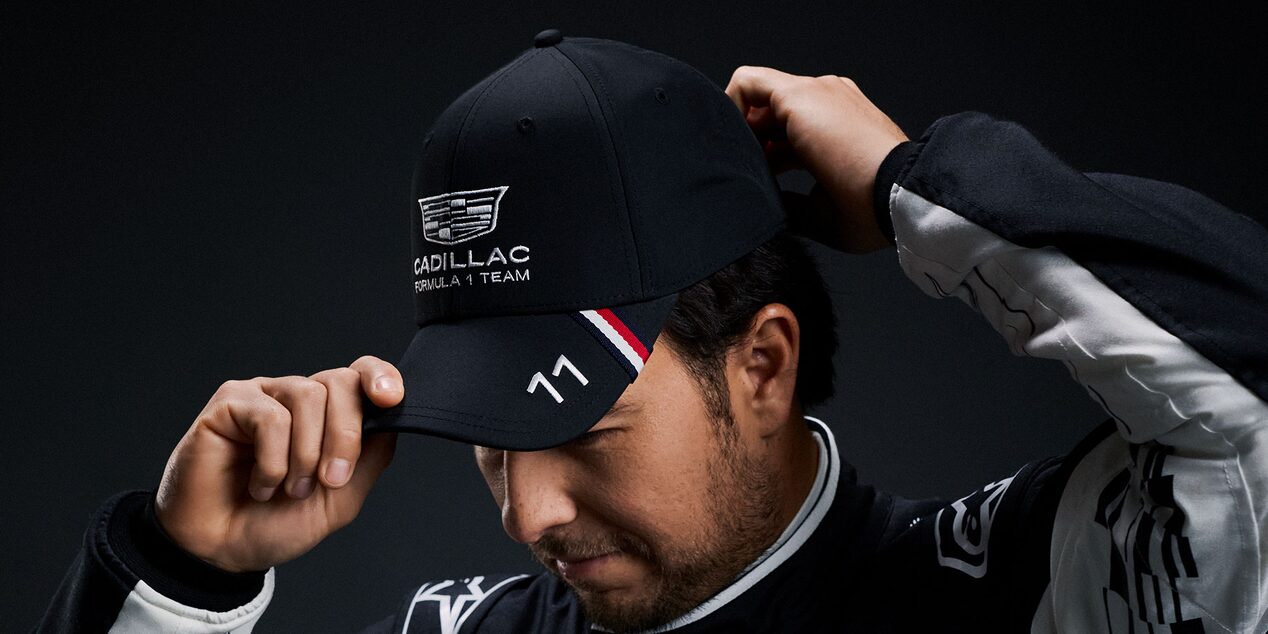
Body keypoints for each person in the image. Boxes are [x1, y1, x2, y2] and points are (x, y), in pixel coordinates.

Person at [38, 32, 1268, 634]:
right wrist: (181, 579)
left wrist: (921, 189)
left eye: (571, 420)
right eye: (486, 434)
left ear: (762, 365)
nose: (524, 515)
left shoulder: (1033, 587)